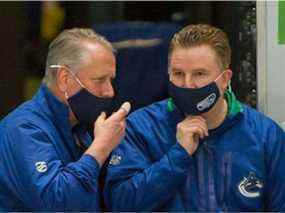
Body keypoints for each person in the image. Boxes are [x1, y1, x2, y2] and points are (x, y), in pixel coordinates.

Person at [103, 24, 285, 211]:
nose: (188, 84)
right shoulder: (141, 128)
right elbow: (121, 204)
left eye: (199, 74)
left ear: (224, 79)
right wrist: (178, 155)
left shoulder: (266, 136)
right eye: (178, 74)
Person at [0, 28, 131, 211]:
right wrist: (100, 147)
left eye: (111, 80)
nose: (110, 91)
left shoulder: (82, 126)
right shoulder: (23, 129)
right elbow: (58, 203)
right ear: (64, 79)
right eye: (100, 80)